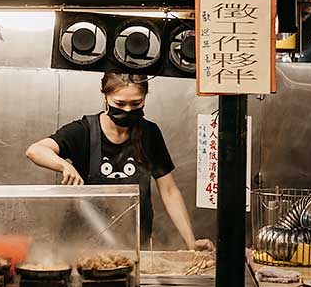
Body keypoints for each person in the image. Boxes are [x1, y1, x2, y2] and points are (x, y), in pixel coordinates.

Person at [25, 72, 211, 249]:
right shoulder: (83, 131)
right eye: (120, 103)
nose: (127, 110)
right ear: (104, 96)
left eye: (136, 103)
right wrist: (63, 165)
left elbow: (169, 190)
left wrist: (190, 241)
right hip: (82, 242)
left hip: (135, 242)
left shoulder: (149, 133)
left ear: (145, 98)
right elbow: (35, 150)